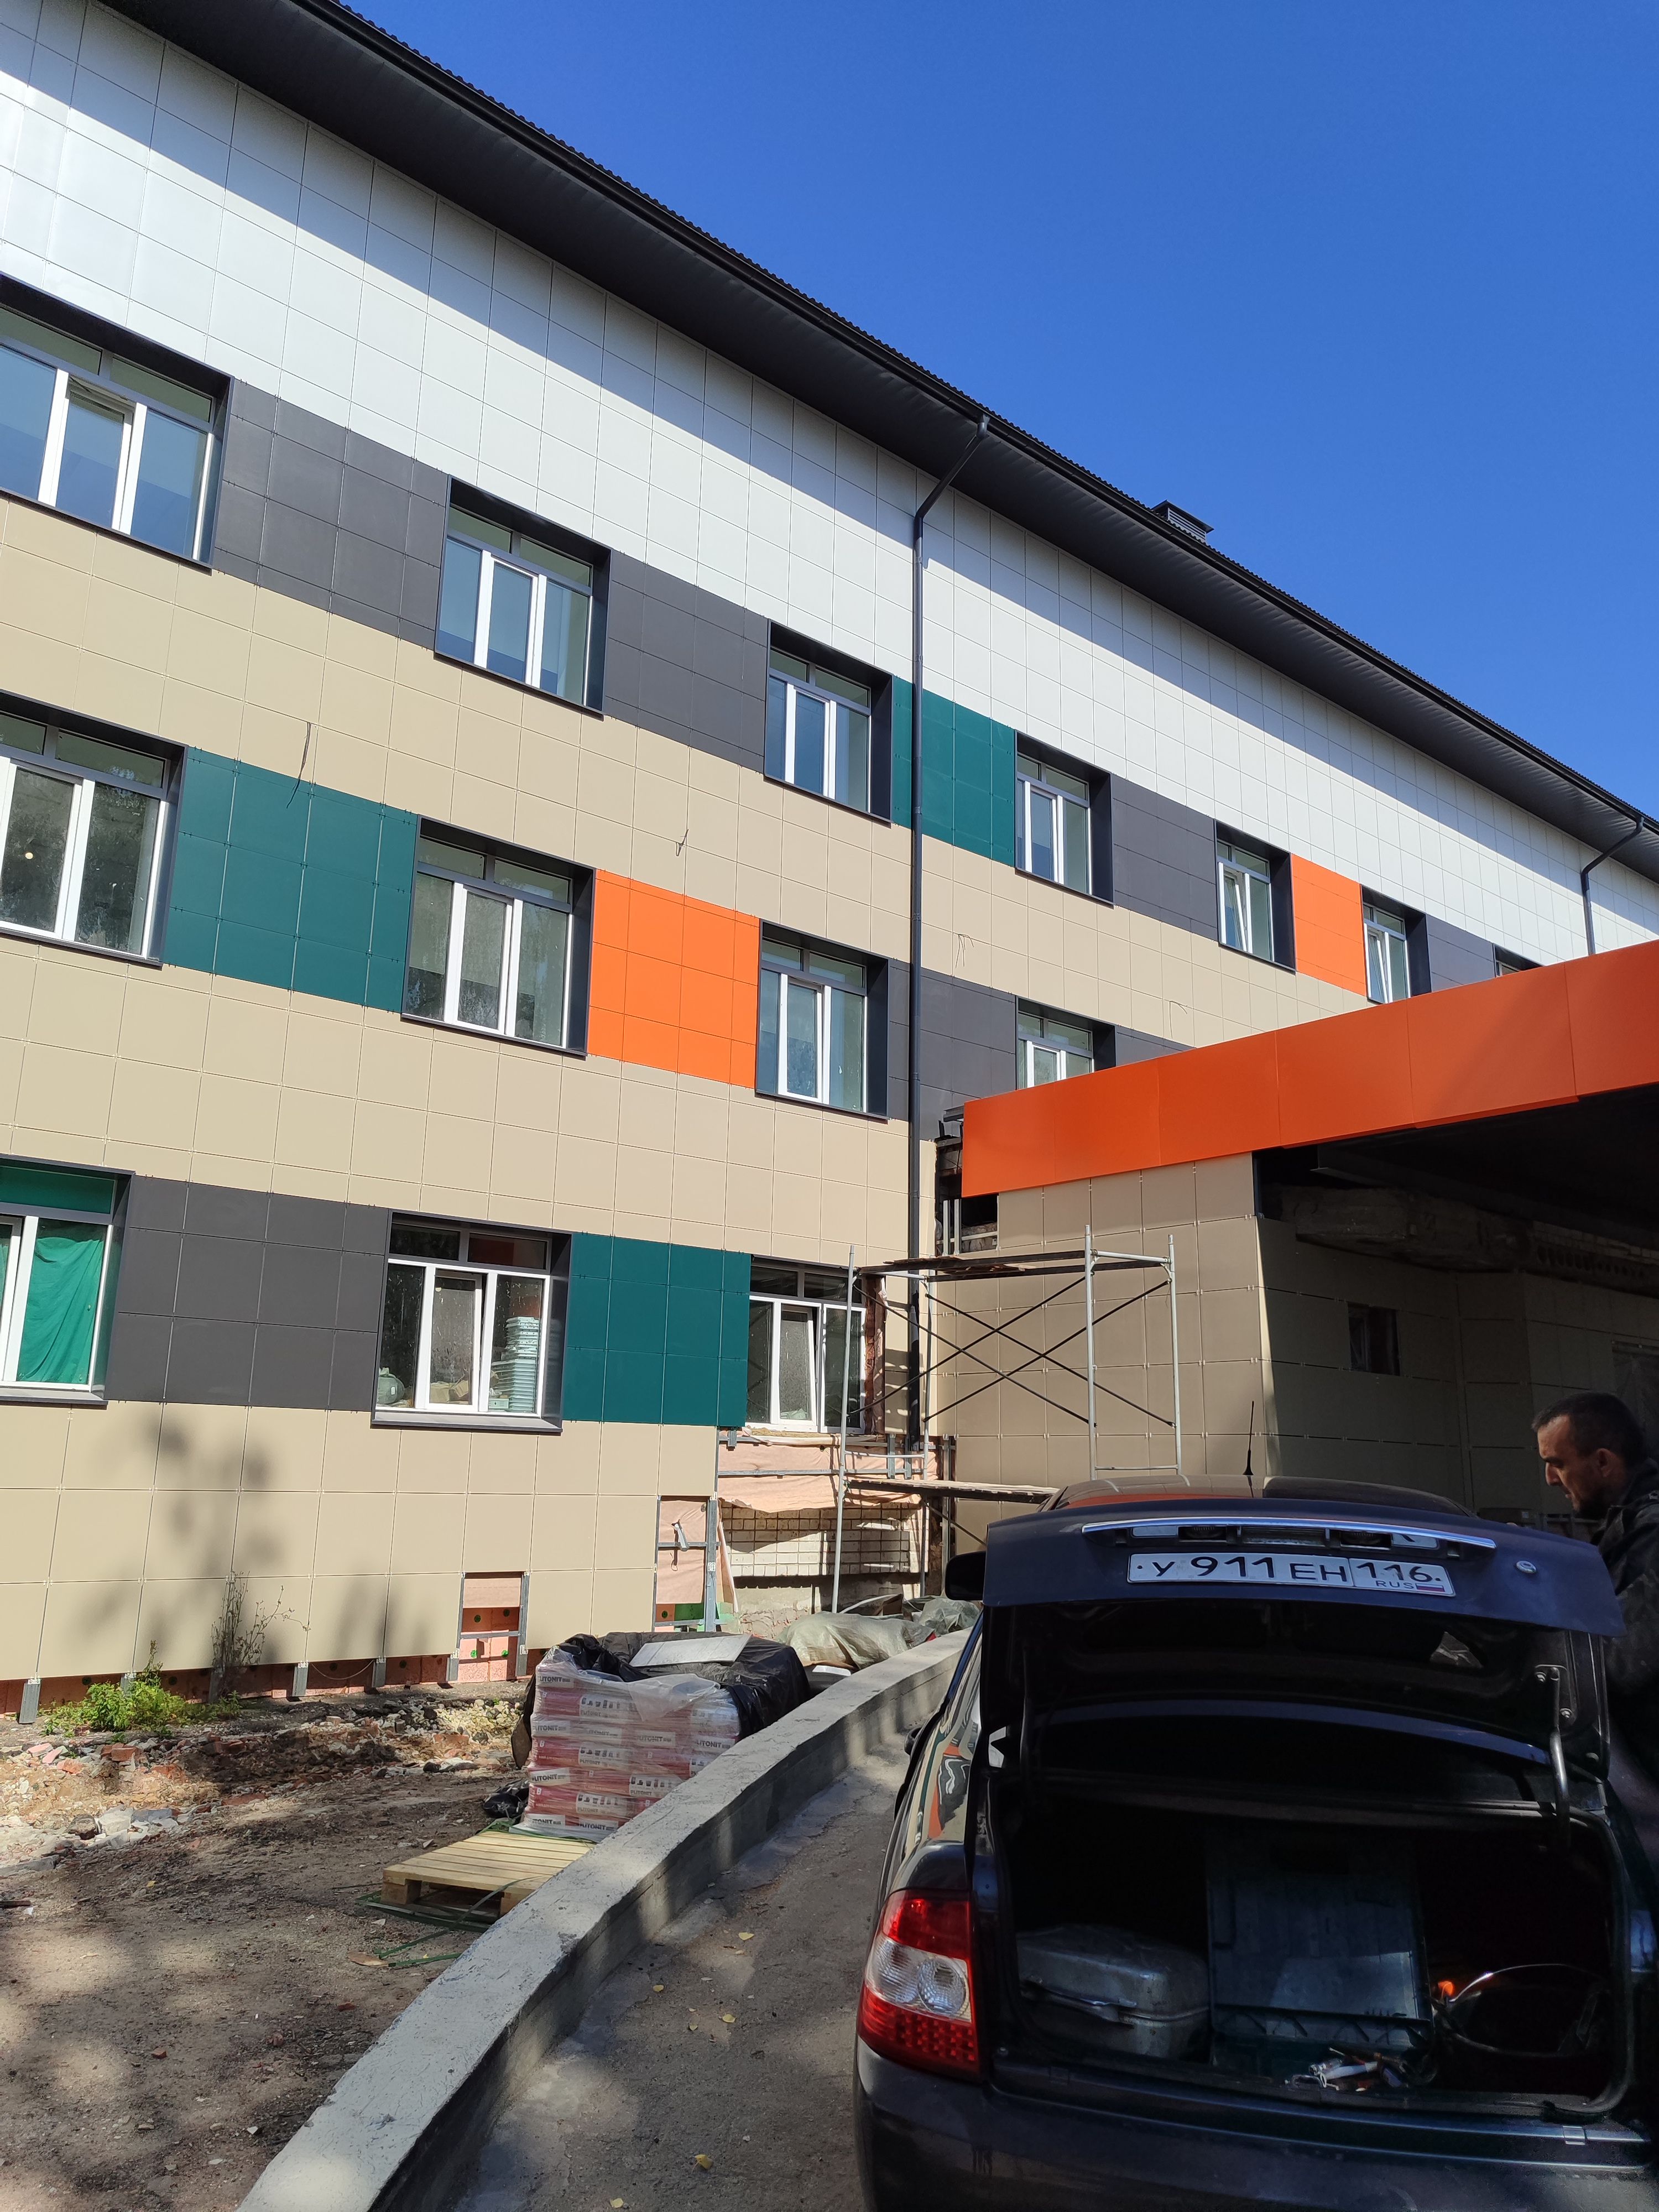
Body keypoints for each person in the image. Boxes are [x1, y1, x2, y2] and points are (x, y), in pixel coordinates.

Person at [1533, 1392, 1659, 1777]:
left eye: (1557, 1464)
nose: (1550, 1478)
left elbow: (1616, 1664)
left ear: (1603, 1461)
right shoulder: (1632, 1522)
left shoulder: (1652, 1532)